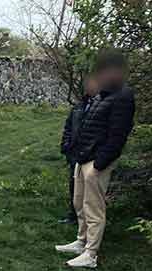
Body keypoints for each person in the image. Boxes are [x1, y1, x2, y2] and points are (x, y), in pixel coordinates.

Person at [55, 49, 136, 269]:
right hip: (83, 157)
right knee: (79, 202)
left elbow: (118, 135)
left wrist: (99, 164)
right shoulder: (102, 94)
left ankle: (91, 254)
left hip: (97, 161)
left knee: (93, 206)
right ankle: (81, 241)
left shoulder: (123, 96)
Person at [59, 75, 99, 224]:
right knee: (74, 186)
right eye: (87, 84)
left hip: (91, 154)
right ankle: (74, 216)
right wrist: (66, 145)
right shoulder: (79, 106)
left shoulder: (102, 105)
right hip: (75, 153)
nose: (89, 87)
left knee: (90, 191)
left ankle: (89, 221)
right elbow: (69, 127)